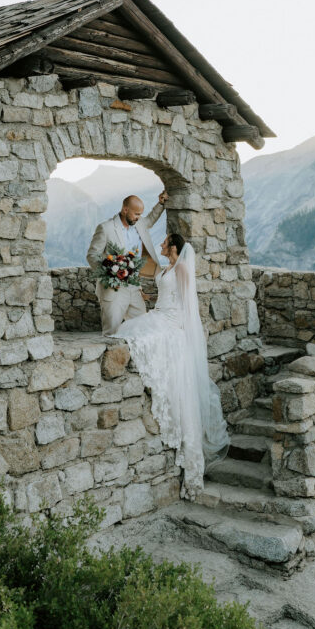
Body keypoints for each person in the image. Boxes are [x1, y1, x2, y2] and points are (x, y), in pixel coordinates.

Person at [111, 232, 230, 497]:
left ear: (174, 246)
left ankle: (193, 471)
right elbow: (167, 296)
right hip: (159, 313)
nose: (161, 245)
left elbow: (188, 302)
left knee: (138, 334)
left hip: (172, 321)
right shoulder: (166, 268)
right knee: (128, 329)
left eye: (165, 243)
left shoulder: (183, 268)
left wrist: (183, 332)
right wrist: (147, 298)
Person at [86, 191, 168, 335]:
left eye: (140, 214)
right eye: (136, 214)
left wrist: (161, 204)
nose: (139, 217)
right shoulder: (106, 228)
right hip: (113, 289)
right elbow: (92, 255)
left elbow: (150, 220)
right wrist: (109, 273)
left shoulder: (139, 223)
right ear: (125, 210)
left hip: (135, 287)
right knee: (112, 332)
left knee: (143, 328)